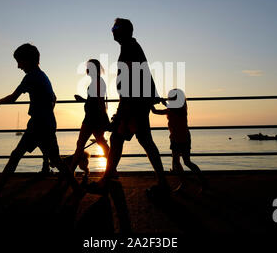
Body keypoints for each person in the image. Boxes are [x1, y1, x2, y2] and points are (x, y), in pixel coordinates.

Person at [90, 18, 169, 197]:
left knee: (125, 140)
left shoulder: (129, 48)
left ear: (124, 31)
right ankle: (162, 183)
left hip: (132, 104)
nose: (112, 30)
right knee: (135, 141)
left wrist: (125, 109)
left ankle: (106, 181)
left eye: (115, 27)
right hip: (136, 103)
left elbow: (130, 80)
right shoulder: (131, 46)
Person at [0, 43, 81, 198]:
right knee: (55, 160)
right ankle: (77, 189)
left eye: (19, 61)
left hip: (38, 124)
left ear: (28, 60)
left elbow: (13, 98)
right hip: (47, 122)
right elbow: (54, 98)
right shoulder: (43, 75)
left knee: (16, 156)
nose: (18, 66)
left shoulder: (31, 77)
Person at [151, 89, 208, 193]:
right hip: (176, 138)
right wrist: (150, 103)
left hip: (182, 137)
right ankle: (185, 183)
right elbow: (155, 112)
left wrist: (164, 103)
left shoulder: (180, 109)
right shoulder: (172, 108)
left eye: (171, 97)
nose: (169, 98)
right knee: (178, 162)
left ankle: (199, 181)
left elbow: (172, 110)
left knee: (186, 162)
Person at [71, 59, 111, 174]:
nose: (86, 70)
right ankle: (112, 170)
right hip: (94, 117)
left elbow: (99, 102)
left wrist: (102, 119)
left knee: (81, 144)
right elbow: (94, 101)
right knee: (101, 143)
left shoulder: (97, 82)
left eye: (88, 67)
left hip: (92, 119)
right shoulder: (97, 81)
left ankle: (70, 171)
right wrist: (83, 100)